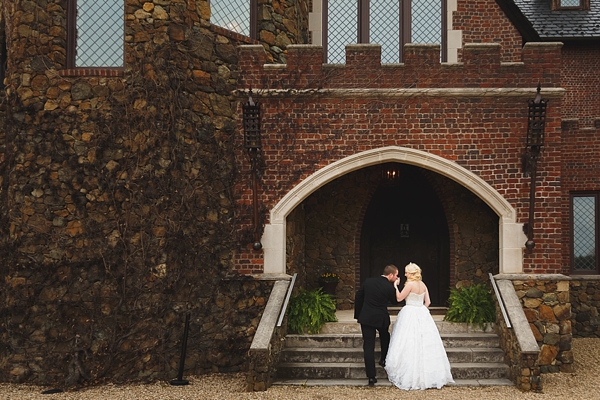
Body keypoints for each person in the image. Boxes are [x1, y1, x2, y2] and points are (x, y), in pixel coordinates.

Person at [385, 262, 454, 390]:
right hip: (422, 312)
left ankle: (409, 373)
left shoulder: (409, 285)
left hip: (409, 311)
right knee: (424, 342)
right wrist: (420, 309)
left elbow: (399, 298)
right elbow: (428, 302)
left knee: (408, 340)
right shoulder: (423, 285)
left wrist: (395, 286)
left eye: (406, 272)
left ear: (411, 273)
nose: (405, 274)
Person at [354, 264, 400, 386]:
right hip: (381, 317)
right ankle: (383, 359)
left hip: (367, 317)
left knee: (368, 346)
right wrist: (395, 287)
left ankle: (371, 377)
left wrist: (359, 314)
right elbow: (395, 302)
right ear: (390, 275)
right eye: (396, 275)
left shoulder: (368, 281)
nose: (396, 278)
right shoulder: (389, 287)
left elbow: (358, 296)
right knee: (385, 336)